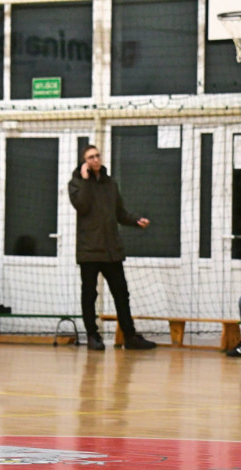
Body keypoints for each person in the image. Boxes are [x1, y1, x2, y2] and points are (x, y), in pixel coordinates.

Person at [67, 144, 156, 351]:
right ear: (83, 162)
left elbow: (120, 212)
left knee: (121, 294)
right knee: (89, 295)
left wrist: (135, 221)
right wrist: (86, 180)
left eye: (97, 156)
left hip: (111, 250)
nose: (96, 160)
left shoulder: (111, 184)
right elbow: (82, 206)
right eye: (90, 157)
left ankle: (130, 336)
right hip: (89, 250)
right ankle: (92, 336)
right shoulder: (76, 184)